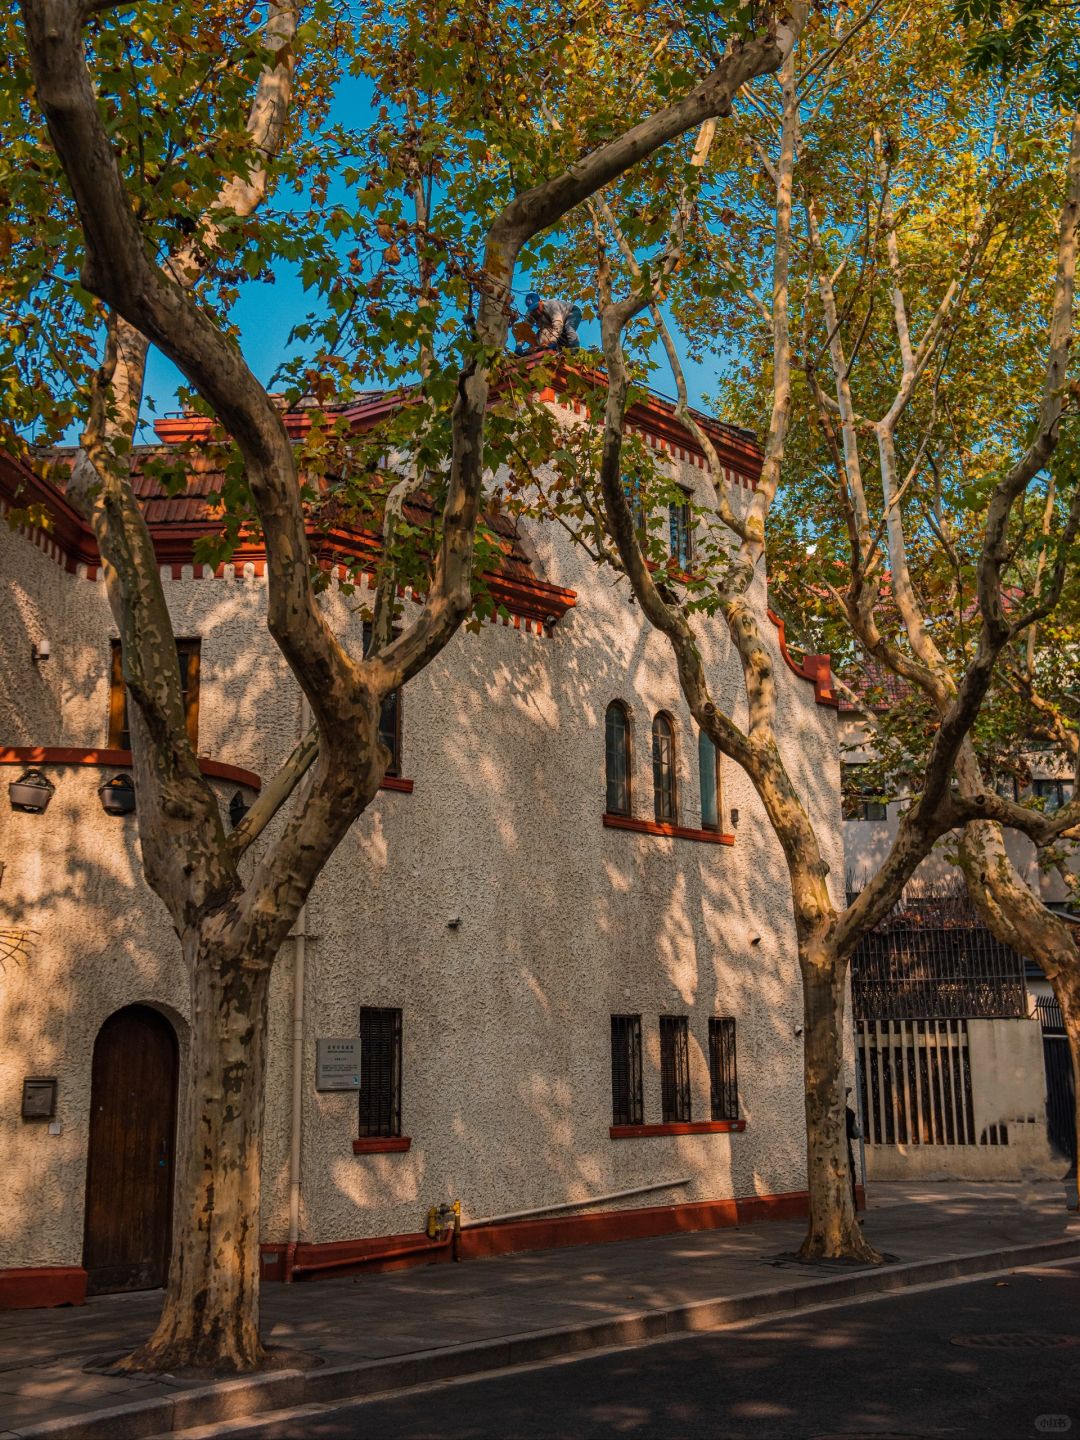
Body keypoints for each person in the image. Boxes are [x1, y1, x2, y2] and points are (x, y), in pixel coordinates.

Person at [846, 1086, 863, 1215]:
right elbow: (855, 1134)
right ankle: (853, 1213)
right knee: (851, 1182)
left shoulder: (827, 1113)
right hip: (847, 1154)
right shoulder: (849, 1113)